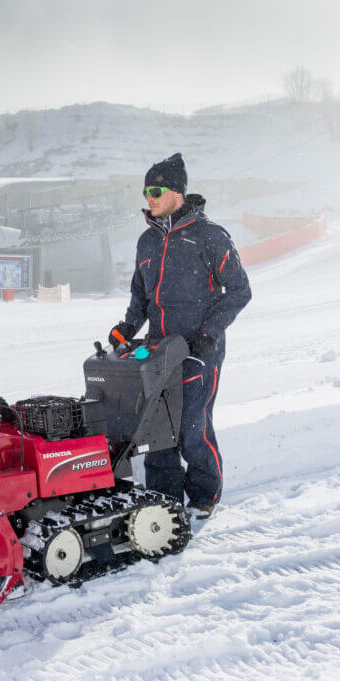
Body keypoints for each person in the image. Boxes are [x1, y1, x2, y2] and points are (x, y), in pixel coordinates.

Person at [108, 153, 251, 520]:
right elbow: (141, 297)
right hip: (158, 353)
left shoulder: (210, 236)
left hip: (199, 350)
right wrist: (126, 329)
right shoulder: (146, 243)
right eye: (145, 192)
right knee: (158, 429)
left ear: (176, 192)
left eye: (155, 190)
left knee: (191, 426)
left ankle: (204, 497)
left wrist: (209, 334)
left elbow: (238, 291)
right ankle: (164, 501)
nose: (149, 198)